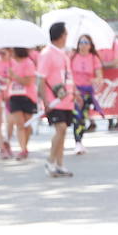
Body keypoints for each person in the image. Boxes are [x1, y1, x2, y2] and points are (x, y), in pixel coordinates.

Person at [37, 23, 75, 177]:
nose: (67, 37)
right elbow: (40, 78)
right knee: (61, 129)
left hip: (66, 99)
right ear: (61, 36)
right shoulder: (47, 54)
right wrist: (45, 101)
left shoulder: (63, 54)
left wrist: (75, 93)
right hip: (54, 100)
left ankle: (60, 164)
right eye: (66, 34)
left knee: (64, 131)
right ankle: (50, 161)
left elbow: (67, 77)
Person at [69, 35, 103, 152]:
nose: (83, 45)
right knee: (77, 116)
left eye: (86, 42)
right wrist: (73, 89)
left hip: (87, 92)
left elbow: (99, 77)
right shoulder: (72, 57)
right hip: (75, 91)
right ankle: (77, 142)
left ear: (90, 45)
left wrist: (94, 80)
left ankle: (80, 140)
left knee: (83, 117)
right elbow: (68, 75)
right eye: (81, 42)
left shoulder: (94, 58)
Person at [4, 47, 38, 160]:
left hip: (28, 97)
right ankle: (22, 149)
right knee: (19, 124)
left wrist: (15, 76)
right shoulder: (11, 63)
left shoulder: (29, 63)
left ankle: (25, 146)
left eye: (12, 51)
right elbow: (9, 80)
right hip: (14, 97)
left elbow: (28, 81)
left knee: (26, 125)